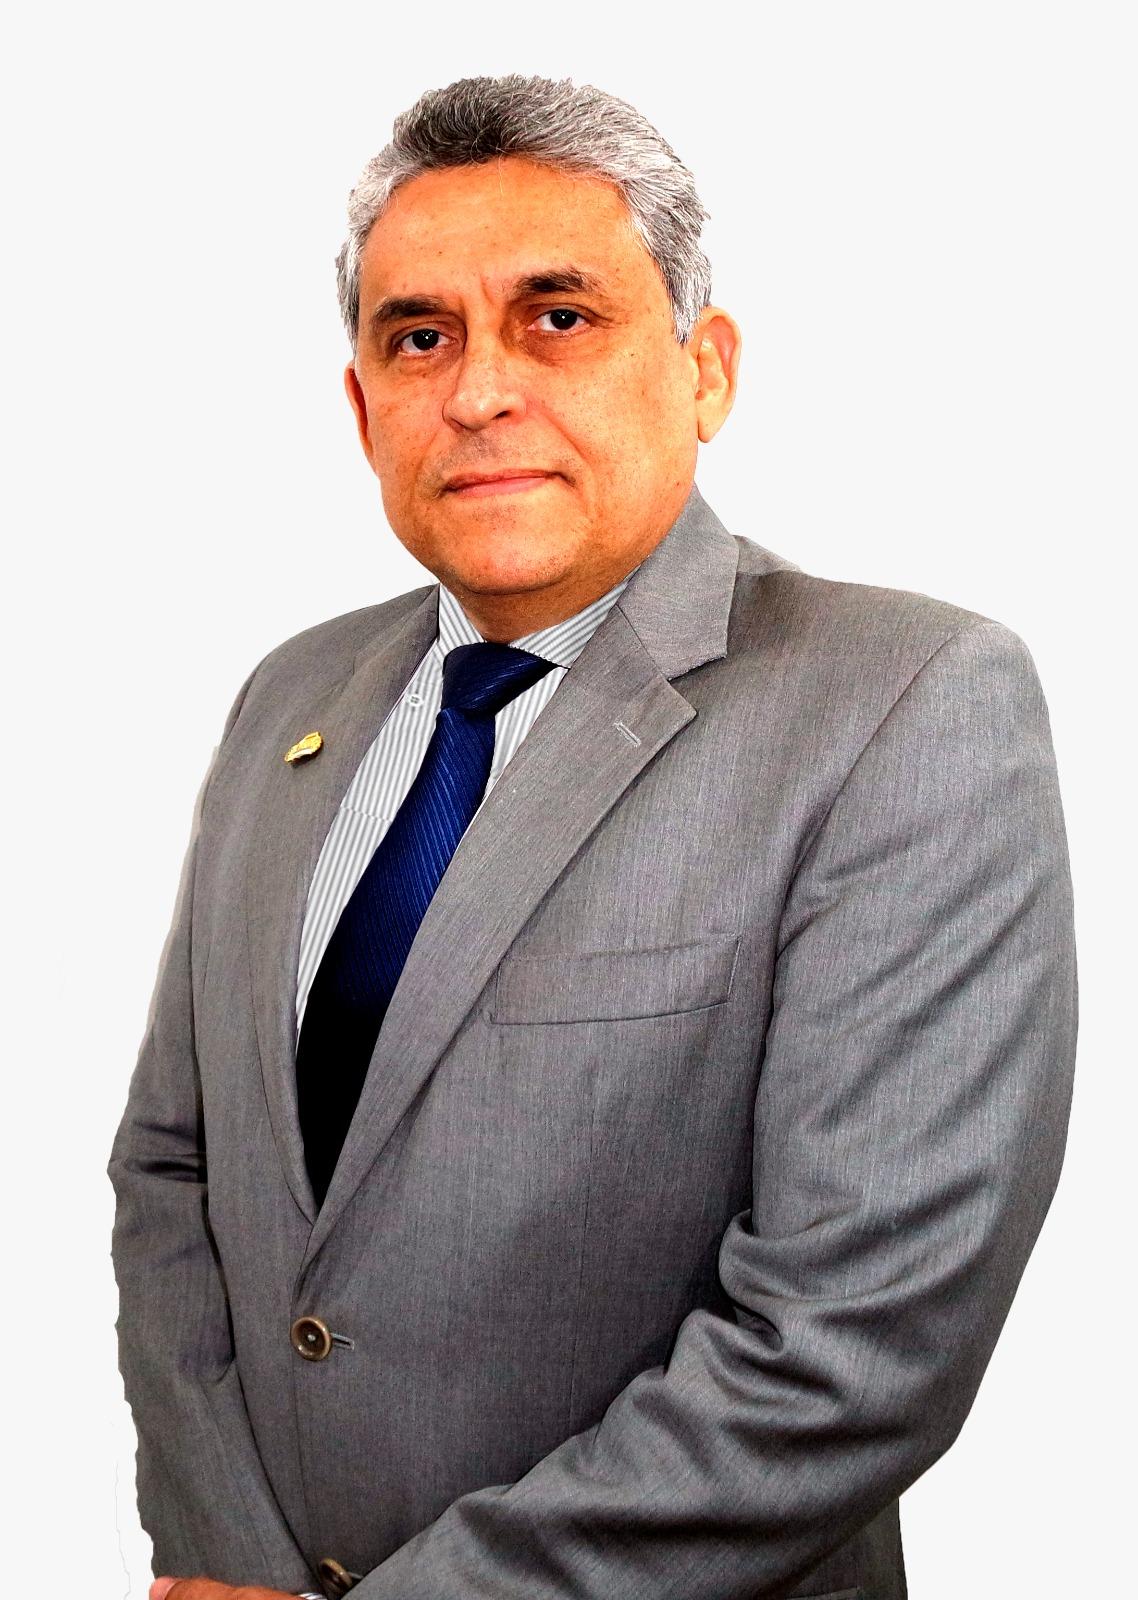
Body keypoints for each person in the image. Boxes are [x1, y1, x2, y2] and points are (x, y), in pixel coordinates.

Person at [109, 74, 1078, 1600]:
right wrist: (218, 1548)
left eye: (555, 317)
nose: (479, 392)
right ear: (362, 408)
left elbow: (853, 1343)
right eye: (418, 337)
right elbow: (175, 1166)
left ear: (703, 370)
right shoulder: (289, 697)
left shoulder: (902, 703)